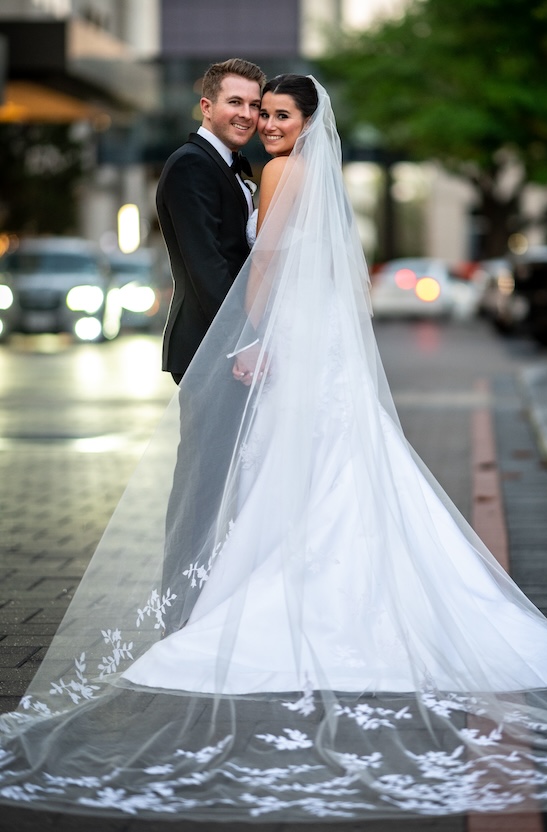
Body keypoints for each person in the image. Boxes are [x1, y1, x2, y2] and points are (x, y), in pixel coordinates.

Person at [0, 76, 547, 822]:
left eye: (277, 113)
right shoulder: (247, 170)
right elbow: (245, 267)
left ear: (306, 123)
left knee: (280, 474)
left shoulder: (279, 171)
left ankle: (239, 605)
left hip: (278, 348)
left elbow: (264, 274)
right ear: (210, 105)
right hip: (302, 350)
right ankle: (247, 598)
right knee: (311, 473)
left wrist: (254, 337)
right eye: (254, 110)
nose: (264, 122)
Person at [156, 58, 266, 627]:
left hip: (233, 349)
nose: (247, 114)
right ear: (207, 106)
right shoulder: (191, 167)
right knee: (201, 485)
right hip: (211, 348)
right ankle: (179, 608)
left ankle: (211, 603)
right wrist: (243, 342)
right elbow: (207, 267)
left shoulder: (231, 166)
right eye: (235, 103)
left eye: (254, 104)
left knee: (229, 478)